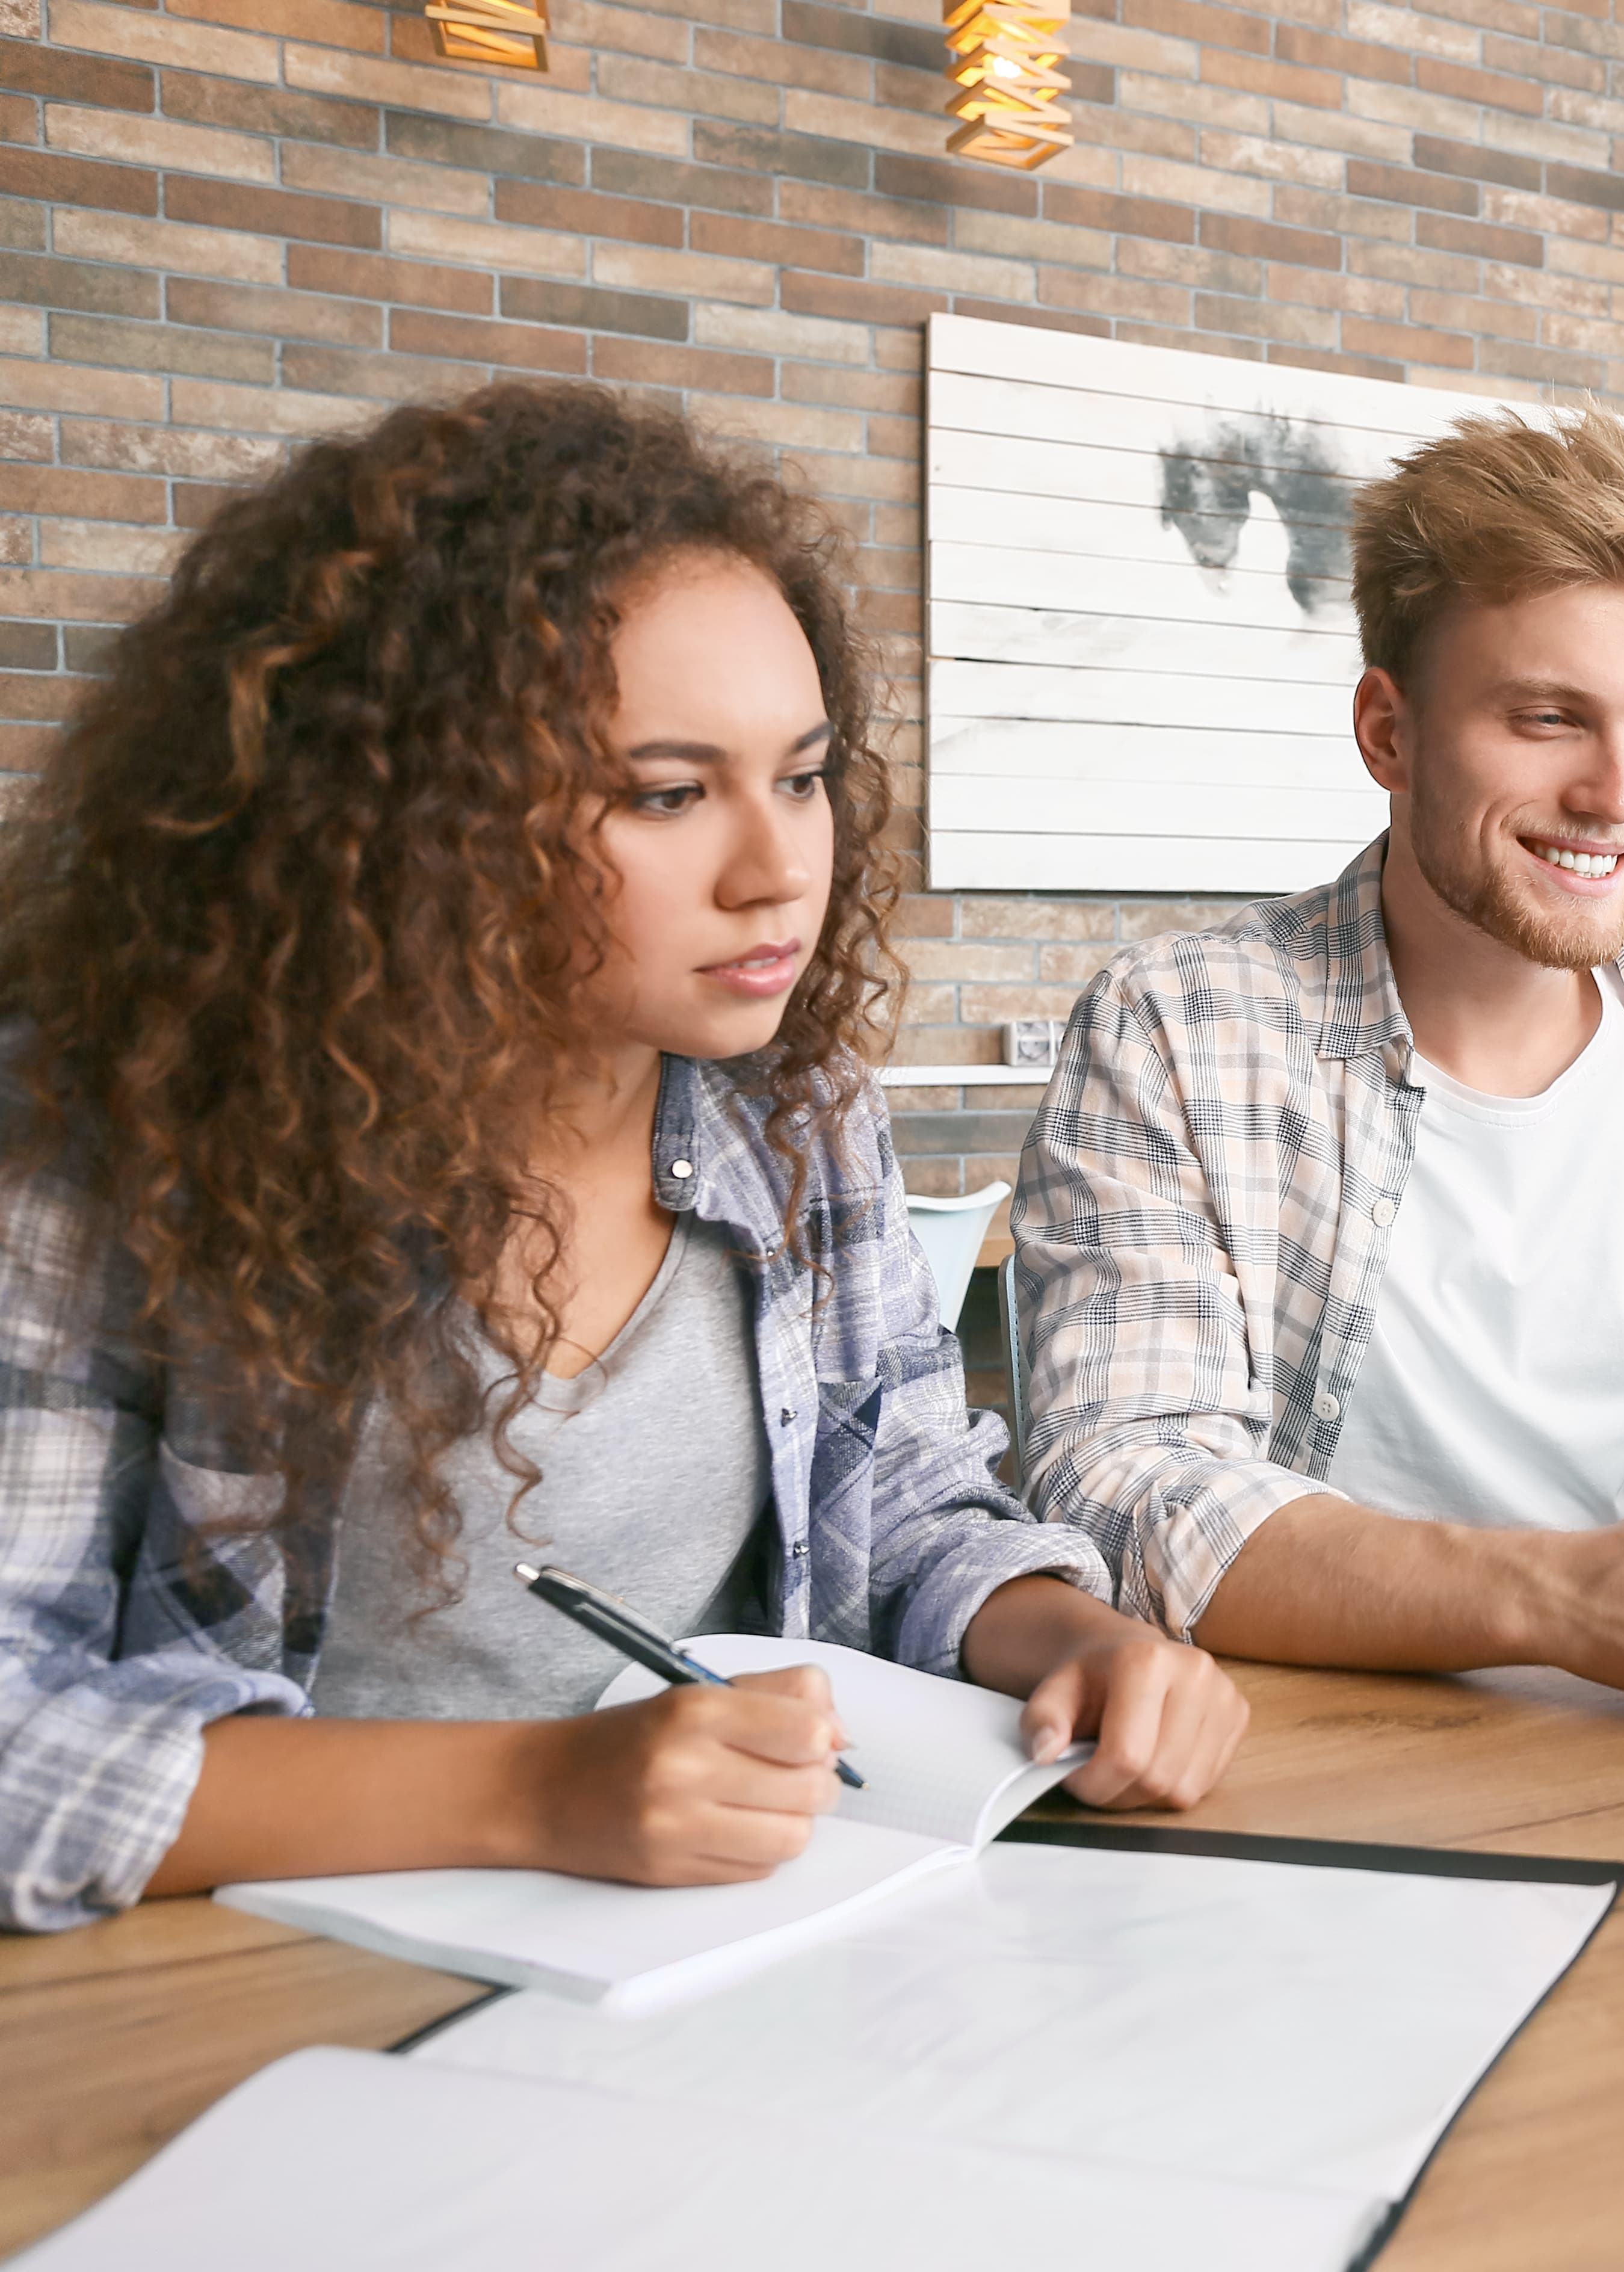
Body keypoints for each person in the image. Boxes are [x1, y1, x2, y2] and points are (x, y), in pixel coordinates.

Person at [0, 384, 1247, 1936]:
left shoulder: (792, 1107)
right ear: (406, 819)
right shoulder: (112, 1141)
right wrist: (540, 1792)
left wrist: (1068, 1633)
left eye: (800, 777)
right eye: (667, 793)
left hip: (735, 1949)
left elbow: (908, 1499)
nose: (779, 868)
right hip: (249, 1992)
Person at [1014, 408, 1624, 1709]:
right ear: (1389, 734)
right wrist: (1570, 1599)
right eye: (1550, 718)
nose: (1618, 795)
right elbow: (1127, 1490)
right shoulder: (1173, 1031)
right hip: (1302, 1776)